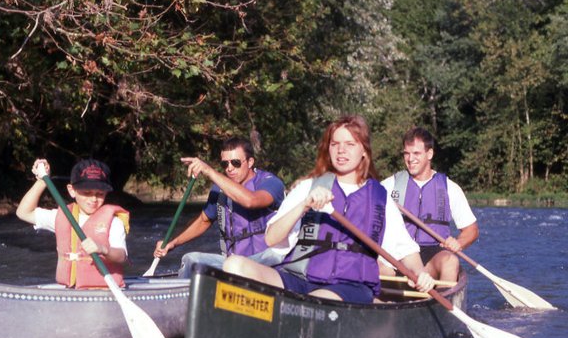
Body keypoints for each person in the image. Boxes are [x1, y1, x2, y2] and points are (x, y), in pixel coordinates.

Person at [222, 115, 435, 304]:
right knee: (234, 265)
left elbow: (406, 250)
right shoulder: (308, 187)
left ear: (363, 150)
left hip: (350, 286)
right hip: (299, 279)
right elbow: (271, 238)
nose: (341, 150)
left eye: (350, 144)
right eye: (335, 144)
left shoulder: (381, 198)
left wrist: (420, 273)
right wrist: (304, 205)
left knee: (315, 300)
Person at [153, 136, 286, 278]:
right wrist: (172, 242)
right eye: (225, 164)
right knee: (191, 260)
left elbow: (251, 201)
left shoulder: (270, 183)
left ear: (250, 162)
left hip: (267, 261)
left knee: (235, 266)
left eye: (235, 163)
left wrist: (209, 171)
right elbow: (203, 221)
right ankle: (184, 291)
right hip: (233, 262)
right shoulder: (220, 190)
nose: (229, 168)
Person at [381, 127, 479, 282]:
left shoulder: (449, 188)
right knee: (371, 264)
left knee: (450, 261)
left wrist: (458, 242)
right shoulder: (389, 186)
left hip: (432, 257)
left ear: (429, 154)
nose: (410, 159)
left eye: (416, 153)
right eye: (406, 153)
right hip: (397, 257)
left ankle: (442, 297)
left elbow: (471, 230)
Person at [16, 158, 129, 288]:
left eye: (100, 194)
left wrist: (103, 249)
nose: (93, 199)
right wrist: (42, 181)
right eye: (87, 193)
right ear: (71, 191)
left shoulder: (114, 222)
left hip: (105, 290)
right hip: (71, 289)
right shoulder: (62, 216)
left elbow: (122, 256)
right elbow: (24, 213)